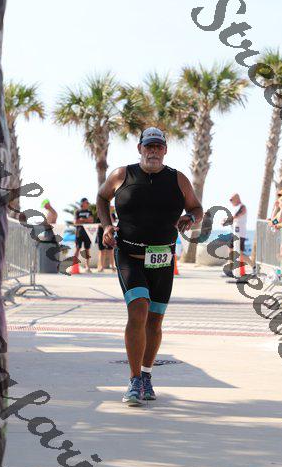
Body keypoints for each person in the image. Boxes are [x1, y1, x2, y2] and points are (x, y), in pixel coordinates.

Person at [96, 127, 203, 406]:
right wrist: (106, 226)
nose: (153, 151)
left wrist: (191, 218)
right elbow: (102, 197)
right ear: (140, 148)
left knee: (154, 320)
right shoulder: (122, 175)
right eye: (149, 146)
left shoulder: (178, 179)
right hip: (129, 256)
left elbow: (197, 208)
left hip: (162, 260)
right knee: (139, 309)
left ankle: (145, 375)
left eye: (158, 147)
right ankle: (133, 381)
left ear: (165, 150)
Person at [221, 193, 248, 277]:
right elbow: (233, 218)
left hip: (240, 233)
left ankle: (253, 266)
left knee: (240, 253)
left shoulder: (242, 207)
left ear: (237, 199)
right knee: (231, 251)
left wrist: (227, 221)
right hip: (234, 232)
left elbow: (236, 216)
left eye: (231, 199)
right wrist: (225, 220)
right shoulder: (235, 208)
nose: (230, 201)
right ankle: (230, 270)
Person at [73, 197, 94, 273]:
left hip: (88, 233)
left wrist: (82, 220)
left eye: (88, 203)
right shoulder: (77, 211)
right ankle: (74, 266)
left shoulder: (89, 211)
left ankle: (87, 267)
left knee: (87, 249)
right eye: (86, 202)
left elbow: (91, 221)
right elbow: (75, 222)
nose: (88, 204)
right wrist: (86, 220)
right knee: (77, 248)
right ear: (82, 203)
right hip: (79, 232)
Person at [95, 208, 117, 272]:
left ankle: (113, 266)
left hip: (109, 233)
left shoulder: (112, 214)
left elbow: (113, 222)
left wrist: (109, 213)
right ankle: (101, 267)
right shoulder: (100, 214)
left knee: (111, 251)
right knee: (102, 251)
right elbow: (97, 224)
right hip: (100, 233)